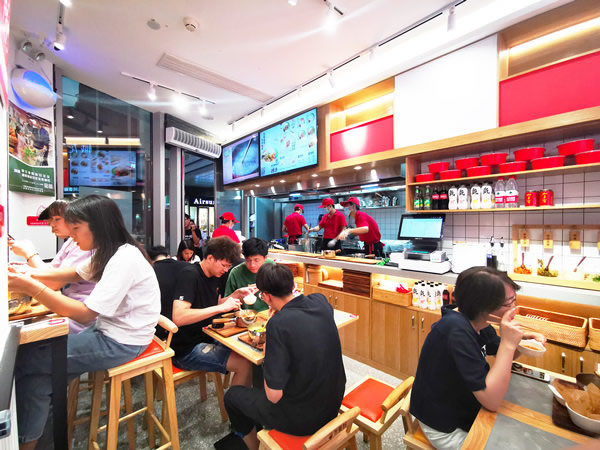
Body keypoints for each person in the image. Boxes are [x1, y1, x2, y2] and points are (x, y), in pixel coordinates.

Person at [8, 194, 161, 449]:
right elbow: (68, 274)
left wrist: (30, 286)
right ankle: (38, 443)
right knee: (40, 376)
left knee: (27, 359)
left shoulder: (124, 258)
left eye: (76, 227)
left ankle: (29, 442)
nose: (71, 234)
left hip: (122, 341)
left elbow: (84, 314)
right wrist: (27, 272)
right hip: (106, 330)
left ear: (98, 226)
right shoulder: (108, 252)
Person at [409, 266, 545, 449]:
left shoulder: (478, 321)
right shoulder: (455, 331)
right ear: (483, 306)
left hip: (467, 407)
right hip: (445, 427)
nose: (513, 309)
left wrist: (521, 341)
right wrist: (509, 343)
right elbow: (492, 401)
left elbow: (502, 352)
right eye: (508, 304)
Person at [224, 264, 346, 450]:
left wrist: (268, 349)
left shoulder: (277, 325)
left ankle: (253, 445)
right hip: (333, 403)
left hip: (303, 420)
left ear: (266, 296)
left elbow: (273, 396)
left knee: (232, 397)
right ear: (292, 286)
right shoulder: (320, 301)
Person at [170, 236, 253, 387]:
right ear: (209, 258)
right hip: (186, 349)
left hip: (208, 336)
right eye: (224, 265)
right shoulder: (189, 274)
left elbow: (213, 304)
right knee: (244, 364)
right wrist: (220, 308)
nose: (226, 270)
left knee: (248, 352)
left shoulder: (216, 275)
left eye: (229, 266)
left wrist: (235, 295)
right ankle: (237, 402)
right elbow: (179, 317)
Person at [8, 199, 95, 334]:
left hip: (81, 318)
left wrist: (30, 254)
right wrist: (26, 269)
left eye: (57, 219)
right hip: (71, 309)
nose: (51, 225)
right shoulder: (72, 242)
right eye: (50, 220)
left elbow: (53, 283)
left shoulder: (88, 245)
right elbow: (53, 272)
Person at [149, 245, 188, 339]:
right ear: (168, 256)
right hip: (186, 326)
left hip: (160, 328)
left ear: (149, 260)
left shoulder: (149, 271)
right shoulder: (186, 266)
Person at [224, 238, 273, 312]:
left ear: (265, 258)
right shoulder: (236, 272)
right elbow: (227, 302)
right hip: (246, 314)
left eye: (256, 260)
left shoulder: (271, 267)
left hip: (268, 313)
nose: (252, 265)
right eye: (248, 260)